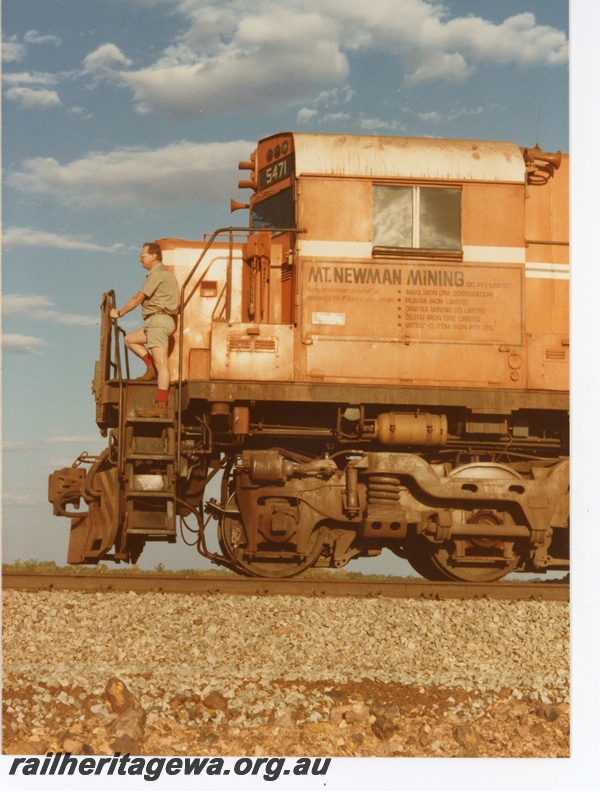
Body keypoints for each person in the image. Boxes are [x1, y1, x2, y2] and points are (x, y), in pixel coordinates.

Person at [110, 242, 179, 417]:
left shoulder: (158, 274)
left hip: (158, 321)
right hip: (155, 321)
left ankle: (161, 405)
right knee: (130, 339)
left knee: (162, 364)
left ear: (154, 256)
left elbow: (137, 298)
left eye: (143, 255)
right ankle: (151, 368)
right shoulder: (163, 275)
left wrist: (119, 312)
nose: (140, 259)